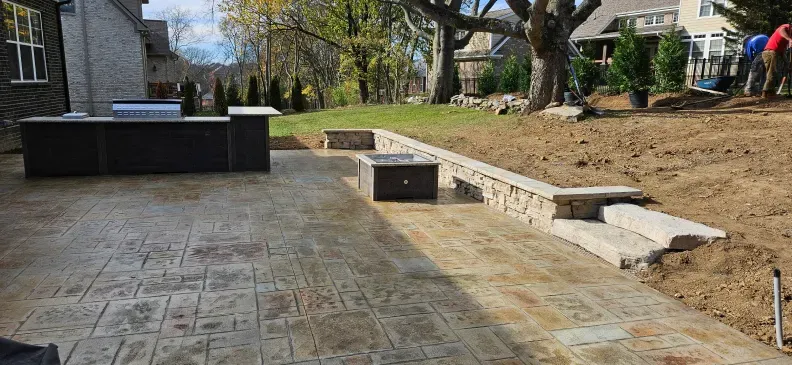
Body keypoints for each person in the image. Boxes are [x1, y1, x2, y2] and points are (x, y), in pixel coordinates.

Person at [762, 23, 792, 98]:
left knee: (774, 72)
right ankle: (765, 93)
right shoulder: (786, 27)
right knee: (771, 72)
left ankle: (771, 93)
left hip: (776, 53)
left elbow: (783, 51)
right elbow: (781, 30)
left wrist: (787, 64)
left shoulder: (788, 36)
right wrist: (789, 39)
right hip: (770, 52)